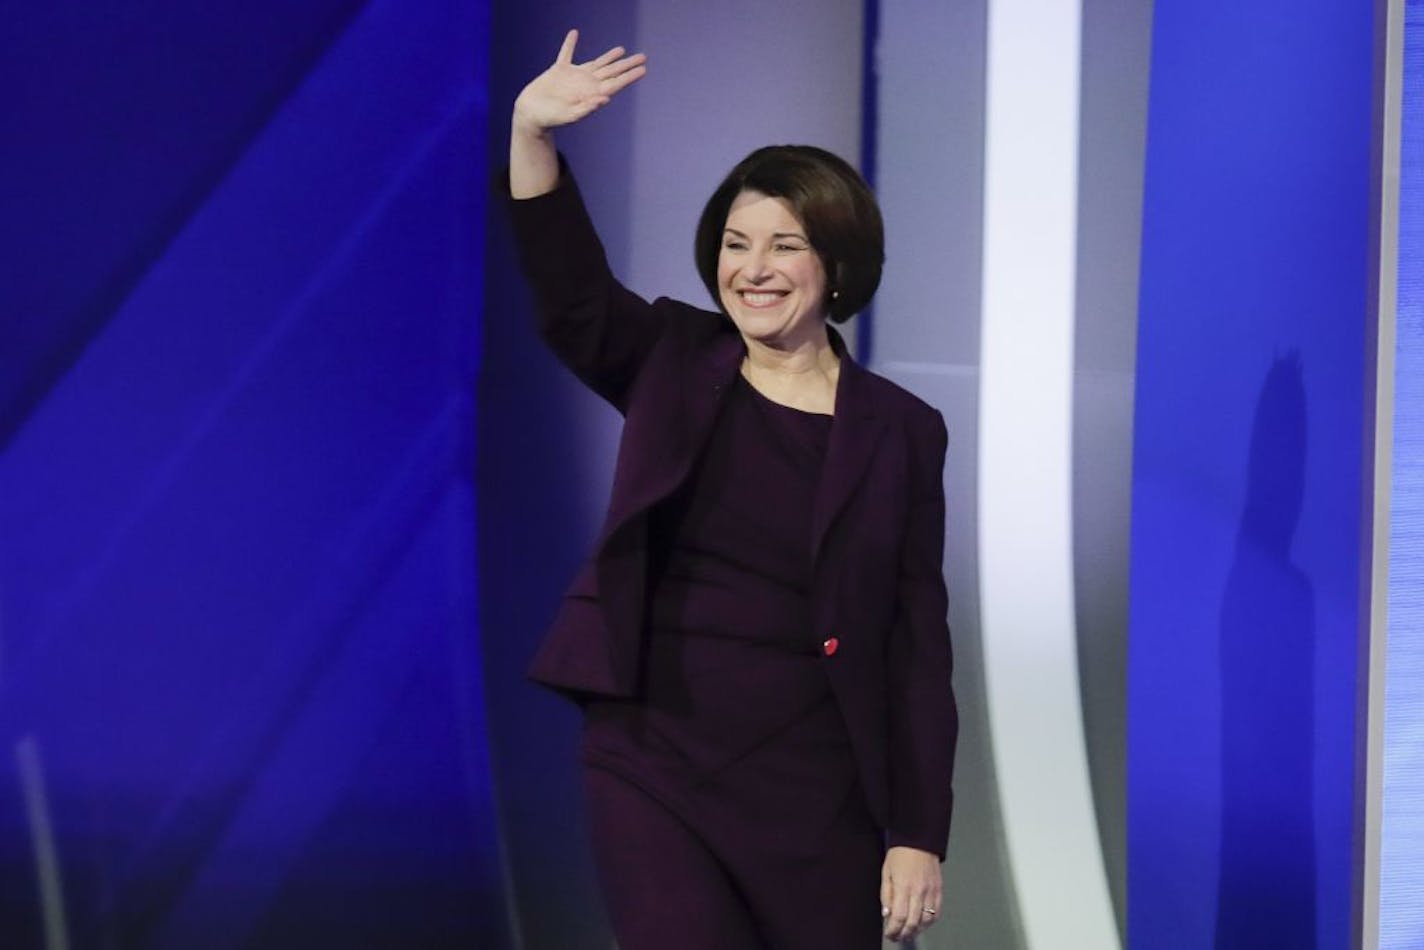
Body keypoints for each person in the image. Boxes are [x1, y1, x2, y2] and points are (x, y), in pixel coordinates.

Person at [503, 29, 956, 948]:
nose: (752, 269)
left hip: (819, 785)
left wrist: (916, 833)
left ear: (836, 266)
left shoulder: (903, 431)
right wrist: (532, 137)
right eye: (736, 243)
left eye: (784, 245)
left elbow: (915, 644)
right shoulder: (674, 357)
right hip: (654, 756)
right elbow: (572, 298)